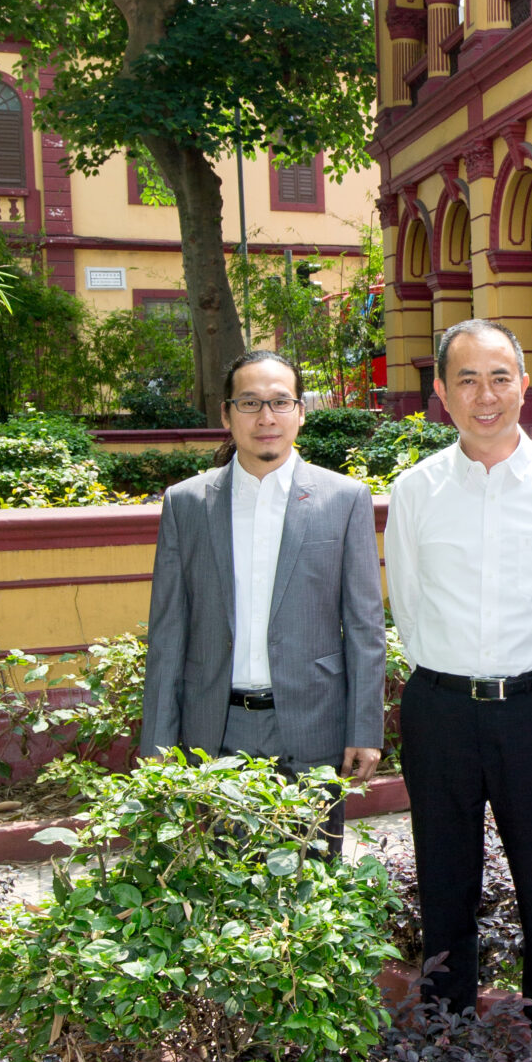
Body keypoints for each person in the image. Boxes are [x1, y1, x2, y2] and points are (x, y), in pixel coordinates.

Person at [384, 319, 532, 1062]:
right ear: (441, 392)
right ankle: (448, 1050)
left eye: (500, 376)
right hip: (440, 709)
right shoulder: (415, 491)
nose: (486, 395)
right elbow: (407, 602)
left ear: (523, 383)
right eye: (467, 379)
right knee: (445, 884)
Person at [139, 348, 386, 818]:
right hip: (212, 731)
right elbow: (167, 631)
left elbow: (364, 627)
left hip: (314, 729)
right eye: (250, 403)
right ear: (226, 414)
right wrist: (158, 742)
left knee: (312, 861)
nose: (266, 417)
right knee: (218, 863)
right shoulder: (187, 503)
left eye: (280, 402)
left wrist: (364, 729)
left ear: (301, 412)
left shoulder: (344, 499)